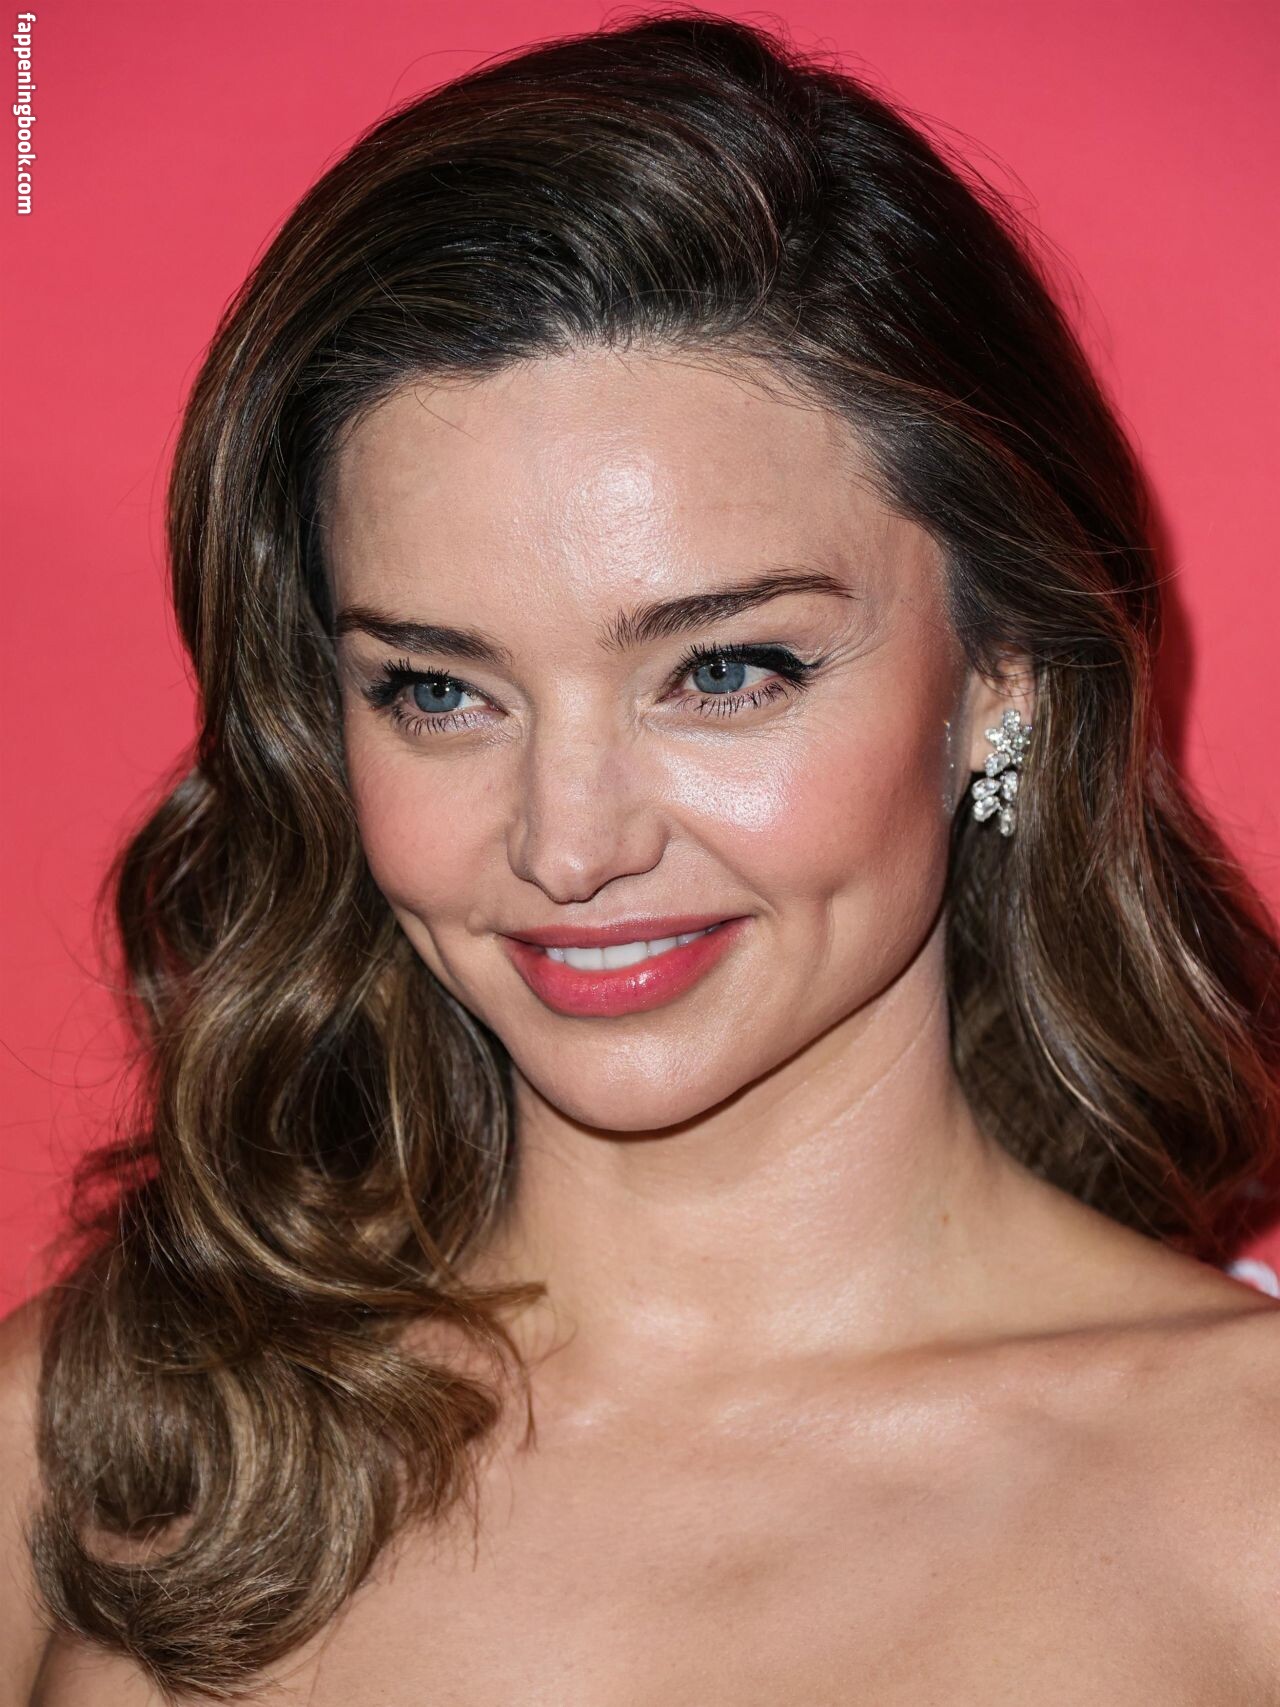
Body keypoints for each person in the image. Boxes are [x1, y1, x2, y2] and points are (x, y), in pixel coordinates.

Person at [4, 9, 1280, 1702]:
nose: (569, 846)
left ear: (1003, 680)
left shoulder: (1246, 1496)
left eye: (724, 671)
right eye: (440, 691)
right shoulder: (84, 1441)